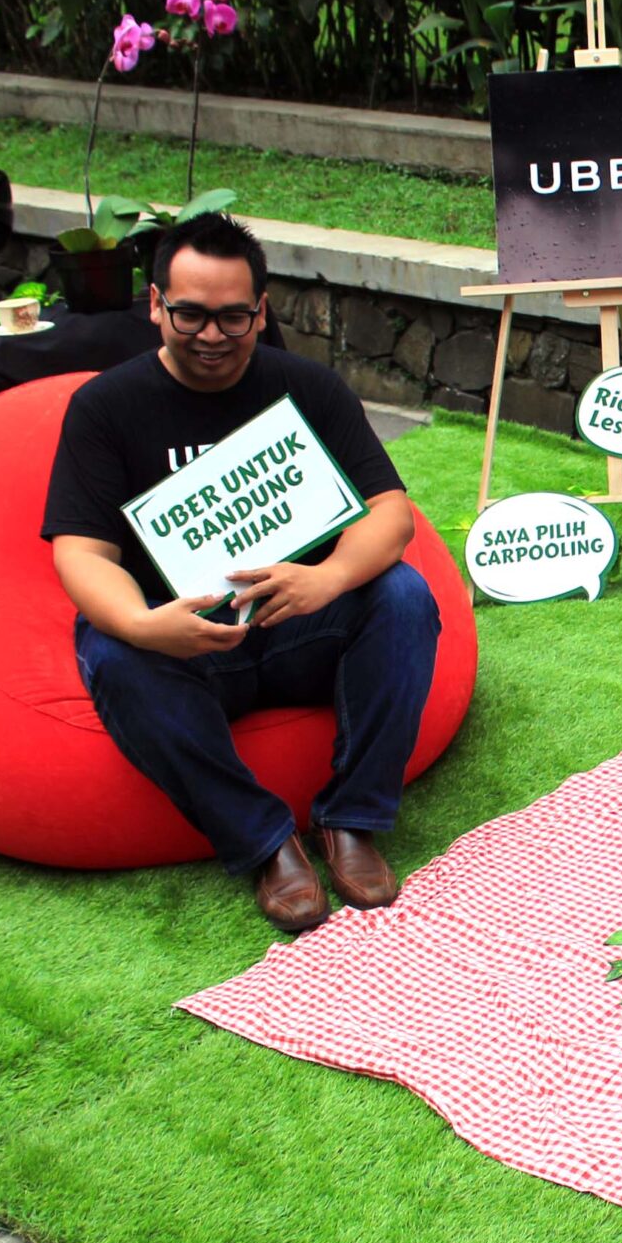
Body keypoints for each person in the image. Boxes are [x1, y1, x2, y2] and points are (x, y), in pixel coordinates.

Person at [42, 211, 440, 932]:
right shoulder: (105, 406)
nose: (212, 335)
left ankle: (351, 819)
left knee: (405, 595)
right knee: (107, 648)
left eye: (233, 316)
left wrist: (329, 578)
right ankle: (264, 845)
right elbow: (81, 551)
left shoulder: (307, 388)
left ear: (262, 310)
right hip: (185, 645)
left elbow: (392, 514)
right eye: (190, 313)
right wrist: (142, 624)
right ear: (156, 304)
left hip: (297, 625)